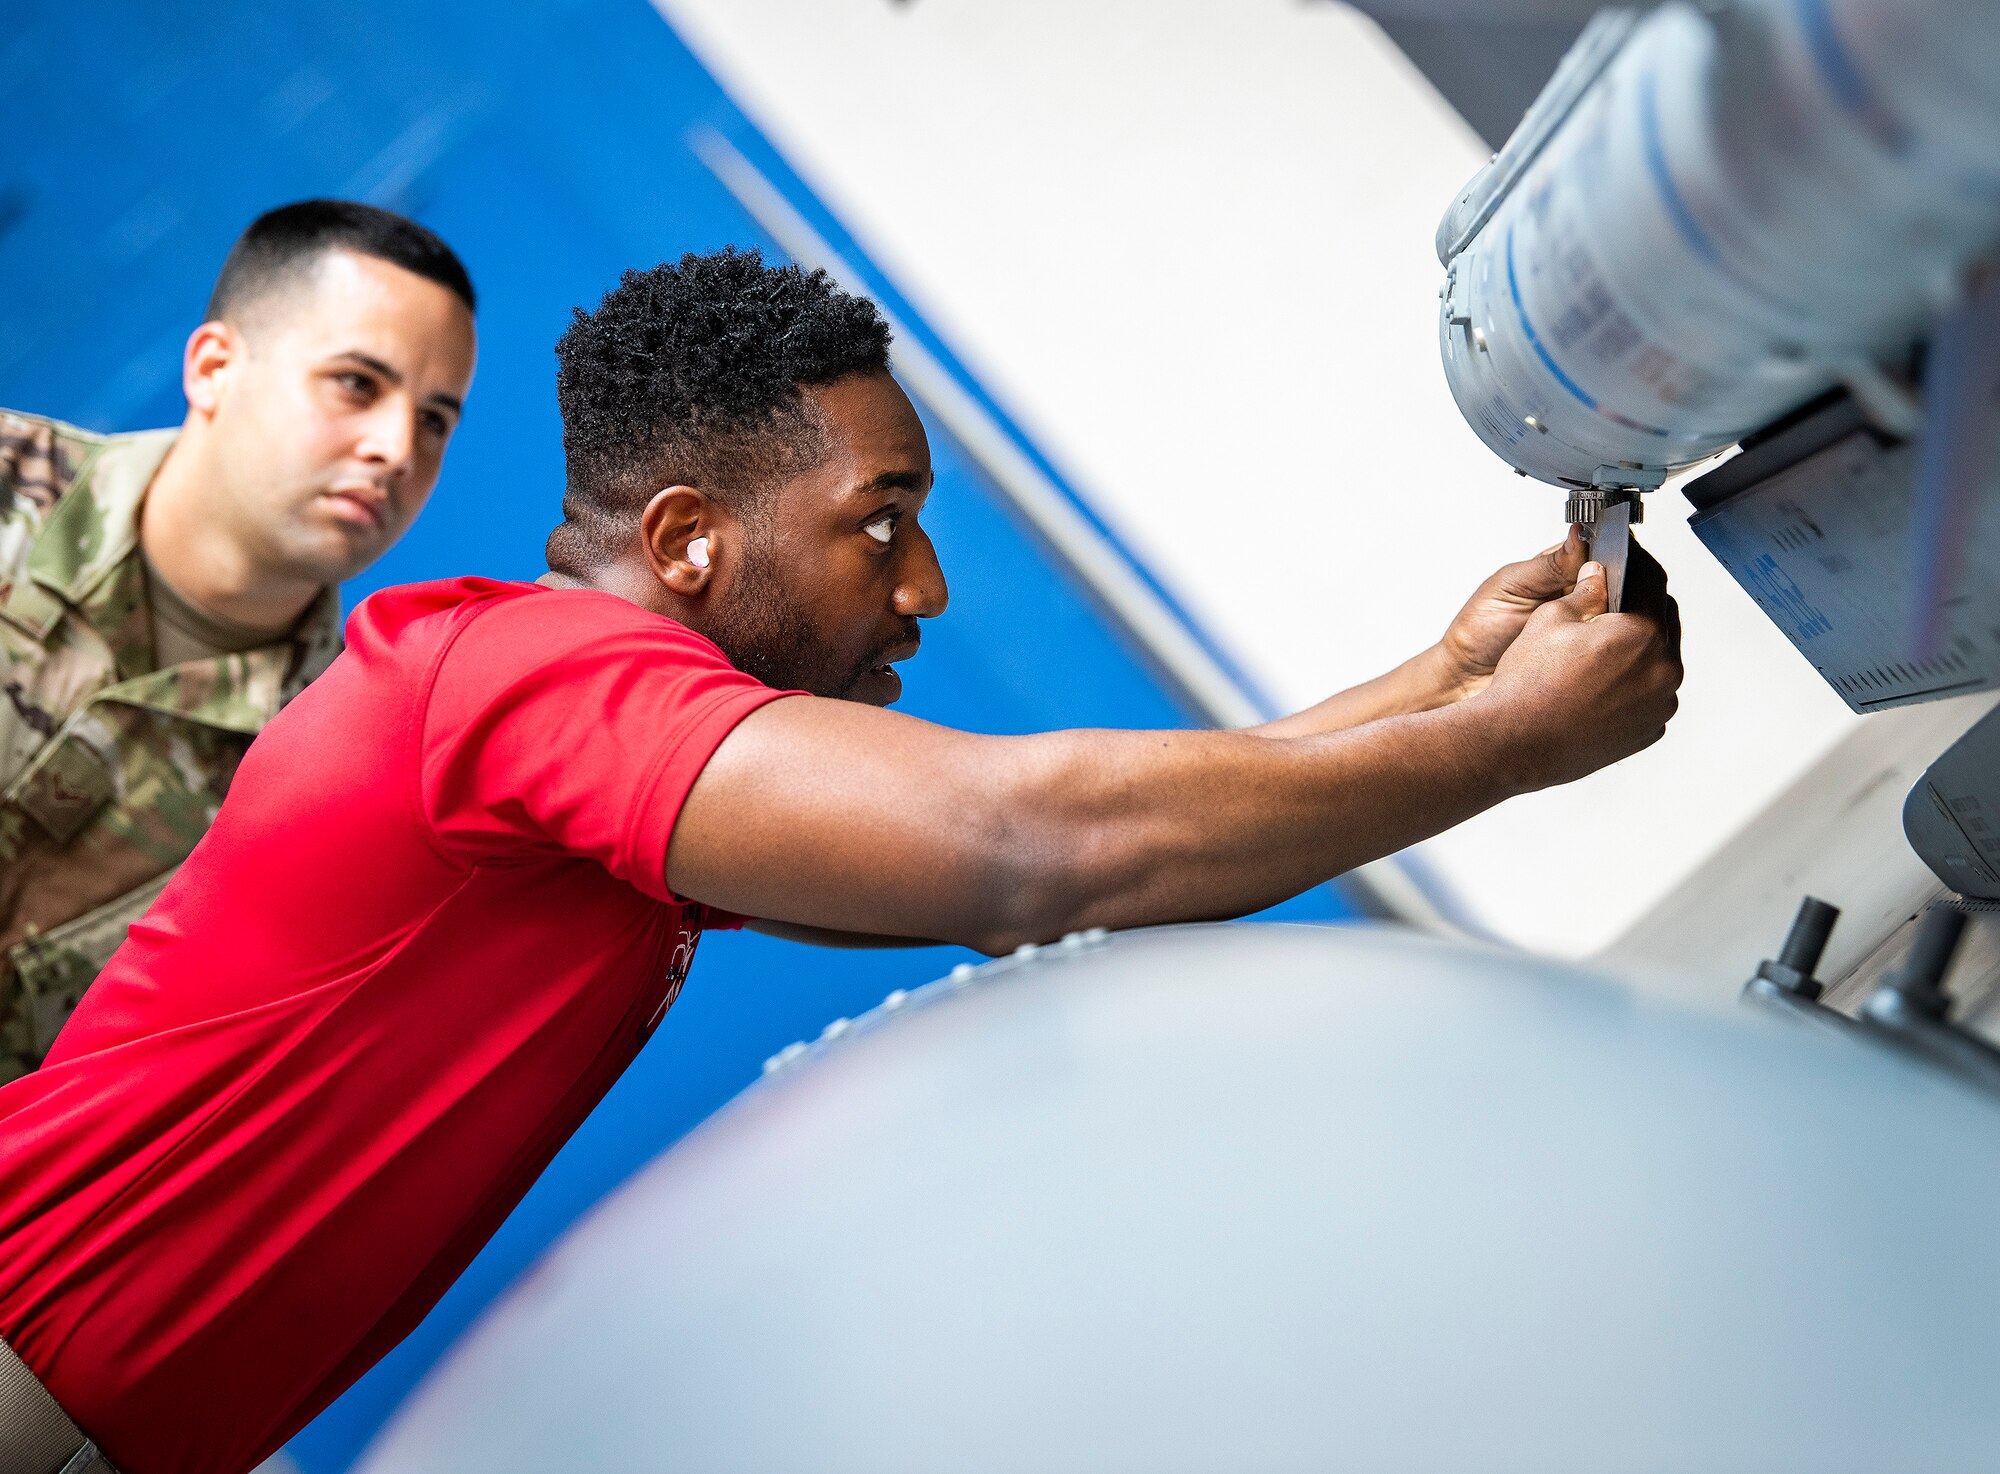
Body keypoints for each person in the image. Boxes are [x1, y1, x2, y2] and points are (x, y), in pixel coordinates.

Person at [0, 247, 1679, 1474]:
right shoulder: (533, 678)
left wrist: (1448, 679)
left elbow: (1047, 859)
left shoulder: (593, 774)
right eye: (881, 518)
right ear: (687, 539)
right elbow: (1032, 847)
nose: (924, 585)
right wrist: (1507, 745)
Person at [0, 199, 477, 1081]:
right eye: (357, 383)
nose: (395, 448)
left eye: (435, 420)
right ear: (214, 368)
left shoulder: (336, 776)